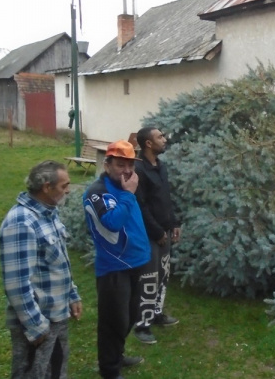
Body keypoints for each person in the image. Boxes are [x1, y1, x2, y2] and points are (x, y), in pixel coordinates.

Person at [0, 160, 83, 378]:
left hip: (57, 315)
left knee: (55, 371)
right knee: (32, 373)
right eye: (64, 186)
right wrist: (35, 326)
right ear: (47, 186)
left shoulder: (49, 213)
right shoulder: (21, 223)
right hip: (38, 322)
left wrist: (72, 295)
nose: (68, 191)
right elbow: (17, 284)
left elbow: (60, 261)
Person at [83, 140, 151, 379]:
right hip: (114, 267)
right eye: (120, 164)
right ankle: (109, 369)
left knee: (130, 316)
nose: (126, 170)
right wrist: (128, 195)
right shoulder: (97, 192)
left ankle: (117, 355)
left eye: (130, 164)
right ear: (107, 164)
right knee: (113, 320)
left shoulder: (125, 187)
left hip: (136, 262)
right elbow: (112, 222)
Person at [132, 127, 181, 345]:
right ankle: (142, 325)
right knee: (148, 279)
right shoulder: (138, 170)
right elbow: (141, 206)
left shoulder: (160, 167)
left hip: (165, 232)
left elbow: (165, 199)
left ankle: (157, 314)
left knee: (163, 275)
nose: (165, 139)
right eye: (160, 137)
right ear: (148, 144)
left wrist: (173, 224)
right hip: (150, 235)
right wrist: (157, 232)